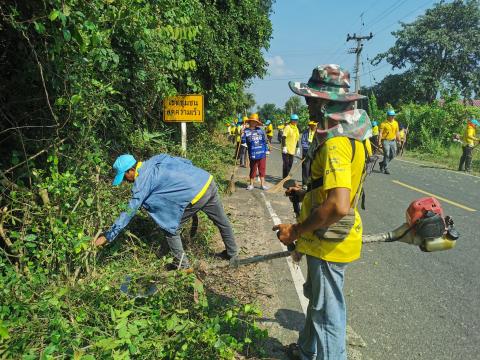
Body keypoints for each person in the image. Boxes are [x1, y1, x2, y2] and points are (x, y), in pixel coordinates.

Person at [274, 64, 371, 360]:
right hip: (326, 238)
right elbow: (336, 189)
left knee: (328, 315)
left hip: (329, 241)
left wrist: (296, 231)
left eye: (311, 99)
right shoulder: (352, 134)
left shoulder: (337, 143)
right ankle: (305, 351)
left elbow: (339, 204)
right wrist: (306, 193)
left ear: (325, 103)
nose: (307, 105)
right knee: (318, 304)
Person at [94, 154, 238, 270]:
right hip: (206, 180)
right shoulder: (157, 159)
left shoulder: (142, 181)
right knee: (222, 221)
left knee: (171, 229)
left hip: (196, 195)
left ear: (130, 171)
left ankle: (183, 266)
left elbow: (130, 210)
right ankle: (232, 254)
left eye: (124, 176)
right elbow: (186, 162)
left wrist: (109, 235)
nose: (126, 181)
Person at [242, 113, 270, 190]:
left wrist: (267, 150)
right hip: (253, 153)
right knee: (253, 168)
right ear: (250, 122)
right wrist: (242, 138)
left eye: (255, 121)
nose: (254, 123)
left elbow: (264, 141)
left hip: (262, 152)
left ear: (257, 122)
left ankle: (262, 184)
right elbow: (243, 141)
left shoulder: (260, 130)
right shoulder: (246, 131)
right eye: (252, 121)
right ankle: (251, 184)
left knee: (262, 168)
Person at [378, 109, 400, 174]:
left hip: (393, 141)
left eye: (393, 115)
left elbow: (397, 132)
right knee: (386, 154)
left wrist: (399, 141)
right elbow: (380, 133)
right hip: (385, 141)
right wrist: (379, 142)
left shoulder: (396, 123)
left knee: (393, 155)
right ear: (387, 116)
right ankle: (386, 168)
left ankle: (382, 163)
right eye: (391, 115)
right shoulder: (383, 124)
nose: (392, 117)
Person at [282, 114, 300, 178]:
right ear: (291, 120)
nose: (295, 121)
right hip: (286, 150)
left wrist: (298, 147)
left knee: (290, 164)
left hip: (292, 150)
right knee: (286, 165)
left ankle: (286, 177)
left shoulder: (296, 128)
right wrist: (284, 147)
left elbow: (297, 139)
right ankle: (284, 178)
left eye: (296, 120)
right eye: (294, 120)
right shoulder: (287, 127)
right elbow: (283, 137)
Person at [300, 121, 317, 187]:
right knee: (306, 168)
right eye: (311, 125)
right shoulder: (305, 132)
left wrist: (314, 149)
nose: (313, 126)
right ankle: (305, 183)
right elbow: (303, 142)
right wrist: (308, 149)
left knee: (313, 168)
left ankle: (311, 184)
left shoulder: (318, 132)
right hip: (306, 152)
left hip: (314, 153)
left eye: (314, 125)